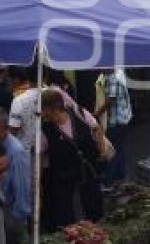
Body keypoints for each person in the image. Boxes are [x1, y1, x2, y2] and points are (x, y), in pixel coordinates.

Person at [39, 89, 103, 230]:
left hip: (87, 170)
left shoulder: (79, 113)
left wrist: (101, 150)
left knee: (93, 205)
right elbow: (40, 155)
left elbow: (96, 128)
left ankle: (96, 230)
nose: (42, 114)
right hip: (64, 176)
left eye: (44, 110)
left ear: (54, 109)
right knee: (66, 213)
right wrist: (39, 182)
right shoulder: (45, 130)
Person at [95, 68, 132, 190]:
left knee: (112, 151)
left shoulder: (113, 79)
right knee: (119, 148)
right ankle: (120, 174)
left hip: (117, 120)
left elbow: (110, 101)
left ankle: (108, 182)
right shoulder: (119, 71)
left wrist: (96, 114)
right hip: (124, 117)